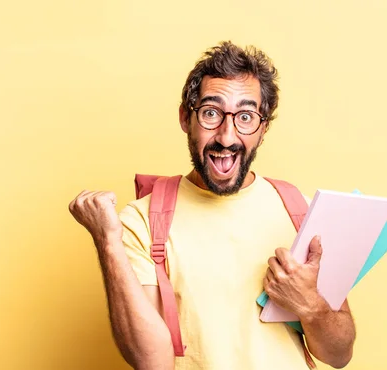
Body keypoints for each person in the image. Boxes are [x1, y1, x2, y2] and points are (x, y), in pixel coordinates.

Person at [68, 41, 356, 370]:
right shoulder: (141, 221)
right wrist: (107, 240)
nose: (227, 136)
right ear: (185, 118)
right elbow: (152, 362)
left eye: (246, 117)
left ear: (263, 129)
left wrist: (312, 306)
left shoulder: (302, 212)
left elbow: (338, 355)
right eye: (211, 113)